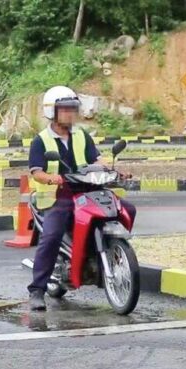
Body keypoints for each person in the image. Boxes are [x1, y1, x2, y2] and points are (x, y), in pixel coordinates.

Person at [27, 86, 137, 311]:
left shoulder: (81, 136)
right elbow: (36, 171)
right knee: (52, 236)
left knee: (127, 208)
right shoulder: (41, 141)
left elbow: (97, 159)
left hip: (86, 191)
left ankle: (110, 253)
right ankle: (37, 290)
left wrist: (116, 171)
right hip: (58, 196)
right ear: (52, 112)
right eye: (64, 109)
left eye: (72, 109)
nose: (70, 113)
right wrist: (51, 178)